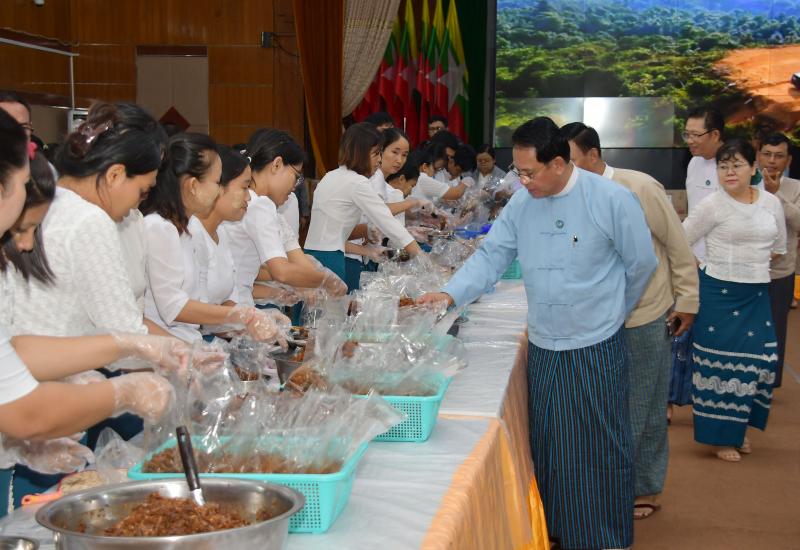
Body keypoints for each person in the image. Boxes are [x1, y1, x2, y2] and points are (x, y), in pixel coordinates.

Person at [418, 117, 657, 550]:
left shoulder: (610, 199)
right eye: (519, 171)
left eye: (530, 173)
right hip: (546, 343)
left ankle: (605, 538)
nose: (522, 181)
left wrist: (613, 314)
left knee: (600, 445)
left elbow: (641, 265)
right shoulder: (522, 204)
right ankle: (560, 531)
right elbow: (491, 257)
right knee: (552, 446)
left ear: (560, 164)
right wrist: (449, 294)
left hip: (595, 344)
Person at [0, 108, 179, 515]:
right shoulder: (86, 220)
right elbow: (25, 410)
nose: (25, 246)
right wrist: (123, 389)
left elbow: (16, 350)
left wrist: (129, 345)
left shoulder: (68, 209)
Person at [563, 122, 700, 521]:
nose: (564, 170)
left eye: (571, 160)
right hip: (591, 318)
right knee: (599, 405)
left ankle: (643, 487)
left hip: (643, 312)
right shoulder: (568, 195)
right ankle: (604, 483)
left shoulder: (639, 187)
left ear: (593, 154)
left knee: (643, 402)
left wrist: (687, 300)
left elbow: (677, 245)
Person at [2, 102, 165, 340]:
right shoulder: (87, 219)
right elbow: (125, 332)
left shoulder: (48, 198)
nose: (136, 204)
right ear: (115, 175)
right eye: (142, 190)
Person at [682, 139, 786, 462]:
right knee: (720, 367)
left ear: (753, 168)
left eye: (737, 165)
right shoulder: (712, 205)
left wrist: (750, 265)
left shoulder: (771, 204)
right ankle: (723, 438)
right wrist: (702, 269)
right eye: (723, 166)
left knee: (761, 362)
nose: (729, 172)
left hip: (756, 293)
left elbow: (779, 246)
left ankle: (738, 428)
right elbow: (681, 240)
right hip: (718, 295)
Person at [141, 133, 290, 344]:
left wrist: (253, 317)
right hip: (165, 347)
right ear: (193, 186)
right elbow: (173, 307)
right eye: (217, 182)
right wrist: (245, 316)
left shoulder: (188, 229)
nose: (219, 190)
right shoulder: (159, 227)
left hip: (189, 343)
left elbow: (204, 303)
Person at [221, 129, 346, 307]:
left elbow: (242, 272)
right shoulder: (259, 205)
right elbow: (282, 272)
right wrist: (325, 280)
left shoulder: (262, 206)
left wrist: (281, 291)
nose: (295, 186)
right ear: (277, 165)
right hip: (234, 310)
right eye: (296, 176)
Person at [304, 123, 422, 291]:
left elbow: (337, 230)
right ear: (360, 153)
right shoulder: (357, 182)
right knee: (333, 307)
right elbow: (386, 221)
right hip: (331, 258)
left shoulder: (330, 176)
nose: (379, 160)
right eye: (375, 154)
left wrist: (367, 237)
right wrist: (420, 256)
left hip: (311, 256)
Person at [758, 133, 800, 389]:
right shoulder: (745, 182)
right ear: (757, 156)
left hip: (780, 273)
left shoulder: (795, 188)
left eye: (779, 156)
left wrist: (776, 195)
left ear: (788, 160)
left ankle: (769, 384)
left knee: (775, 328)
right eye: (767, 154)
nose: (772, 161)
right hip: (747, 270)